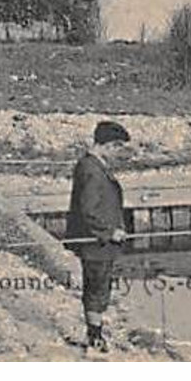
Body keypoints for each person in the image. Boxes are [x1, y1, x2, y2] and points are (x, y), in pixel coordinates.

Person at [66, 120, 131, 352]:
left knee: (98, 286)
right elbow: (89, 210)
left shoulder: (91, 164)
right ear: (109, 145)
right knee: (97, 288)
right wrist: (110, 231)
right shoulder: (92, 169)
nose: (119, 153)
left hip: (97, 242)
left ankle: (95, 332)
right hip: (96, 243)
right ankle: (95, 337)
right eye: (119, 147)